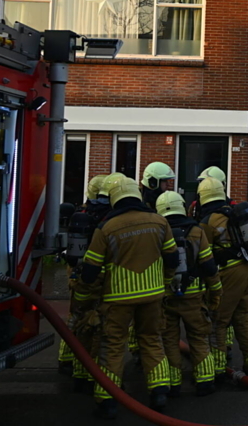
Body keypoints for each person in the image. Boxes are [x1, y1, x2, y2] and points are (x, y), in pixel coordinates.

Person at [74, 174, 179, 419]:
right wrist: (164, 283)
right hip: (153, 294)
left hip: (118, 298)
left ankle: (107, 400)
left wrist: (83, 296)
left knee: (112, 346)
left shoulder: (106, 228)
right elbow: (172, 259)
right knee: (152, 339)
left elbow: (90, 270)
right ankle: (160, 391)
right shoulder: (160, 222)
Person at [155, 191, 222, 397]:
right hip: (193, 296)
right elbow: (209, 265)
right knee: (199, 337)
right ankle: (205, 381)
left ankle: (174, 383)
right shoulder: (196, 231)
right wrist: (216, 290)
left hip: (166, 296)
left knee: (169, 339)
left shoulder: (157, 231)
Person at [196, 177, 248, 379]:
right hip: (247, 268)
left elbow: (203, 254)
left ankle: (218, 368)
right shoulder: (232, 214)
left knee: (218, 320)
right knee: (244, 319)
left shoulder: (208, 221)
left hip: (229, 273)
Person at [58, 174, 112, 390]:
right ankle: (89, 371)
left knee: (76, 316)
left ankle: (66, 358)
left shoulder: (81, 214)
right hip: (96, 275)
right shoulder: (106, 218)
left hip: (77, 273)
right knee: (95, 323)